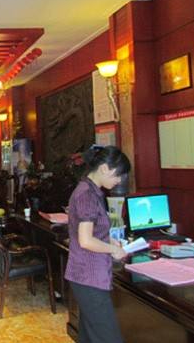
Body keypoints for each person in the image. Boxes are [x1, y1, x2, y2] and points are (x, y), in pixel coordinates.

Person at [41, 145, 130, 343]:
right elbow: (86, 240)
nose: (119, 181)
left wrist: (108, 239)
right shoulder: (87, 195)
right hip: (89, 278)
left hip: (87, 276)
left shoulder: (91, 191)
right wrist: (113, 249)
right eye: (118, 175)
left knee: (89, 336)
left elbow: (92, 231)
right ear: (104, 168)